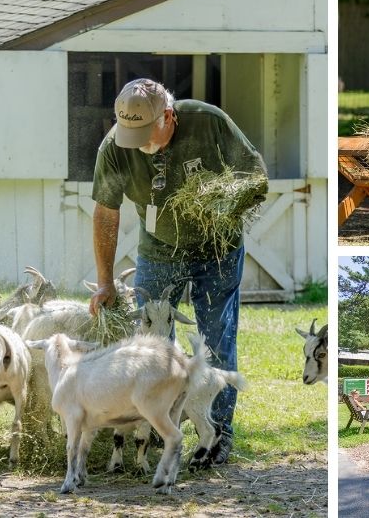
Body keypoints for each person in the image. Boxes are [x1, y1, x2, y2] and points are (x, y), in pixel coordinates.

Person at [89, 78, 268, 467]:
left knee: (216, 340)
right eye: (129, 134)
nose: (136, 143)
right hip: (158, 252)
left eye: (144, 133)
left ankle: (217, 433)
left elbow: (256, 177)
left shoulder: (208, 122)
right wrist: (105, 281)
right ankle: (155, 425)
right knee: (151, 344)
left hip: (217, 250)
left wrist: (221, 202)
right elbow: (106, 212)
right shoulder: (115, 148)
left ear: (168, 116)